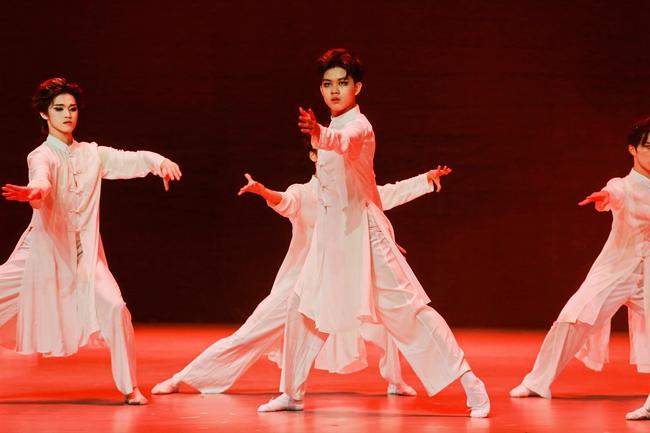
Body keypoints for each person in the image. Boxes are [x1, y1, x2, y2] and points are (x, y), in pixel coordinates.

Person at [257, 48, 490, 417]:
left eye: (342, 83)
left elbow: (344, 142)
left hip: (365, 236)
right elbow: (360, 185)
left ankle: (470, 383)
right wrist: (322, 133)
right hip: (331, 239)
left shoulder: (359, 127)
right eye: (327, 84)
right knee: (302, 310)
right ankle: (291, 393)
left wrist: (319, 133)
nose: (334, 90)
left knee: (409, 312)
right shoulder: (332, 129)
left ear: (358, 87)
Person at [151, 143, 450, 396]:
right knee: (251, 332)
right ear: (314, 156)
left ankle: (395, 381)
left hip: (345, 277)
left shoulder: (352, 192)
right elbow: (287, 201)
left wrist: (424, 180)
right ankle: (184, 378)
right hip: (303, 282)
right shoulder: (305, 192)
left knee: (387, 320)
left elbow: (387, 195)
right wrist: (264, 192)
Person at [0, 77, 182, 405]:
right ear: (44, 114)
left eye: (72, 108)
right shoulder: (41, 155)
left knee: (115, 307)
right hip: (41, 251)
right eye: (59, 109)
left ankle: (129, 388)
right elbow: (42, 179)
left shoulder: (92, 154)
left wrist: (159, 162)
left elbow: (131, 159)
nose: (67, 114)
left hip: (83, 256)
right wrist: (34, 192)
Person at [510, 117, 650, 400]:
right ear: (632, 149)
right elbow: (614, 193)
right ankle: (537, 382)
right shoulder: (623, 185)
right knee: (573, 317)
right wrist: (605, 197)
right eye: (648, 146)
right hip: (616, 269)